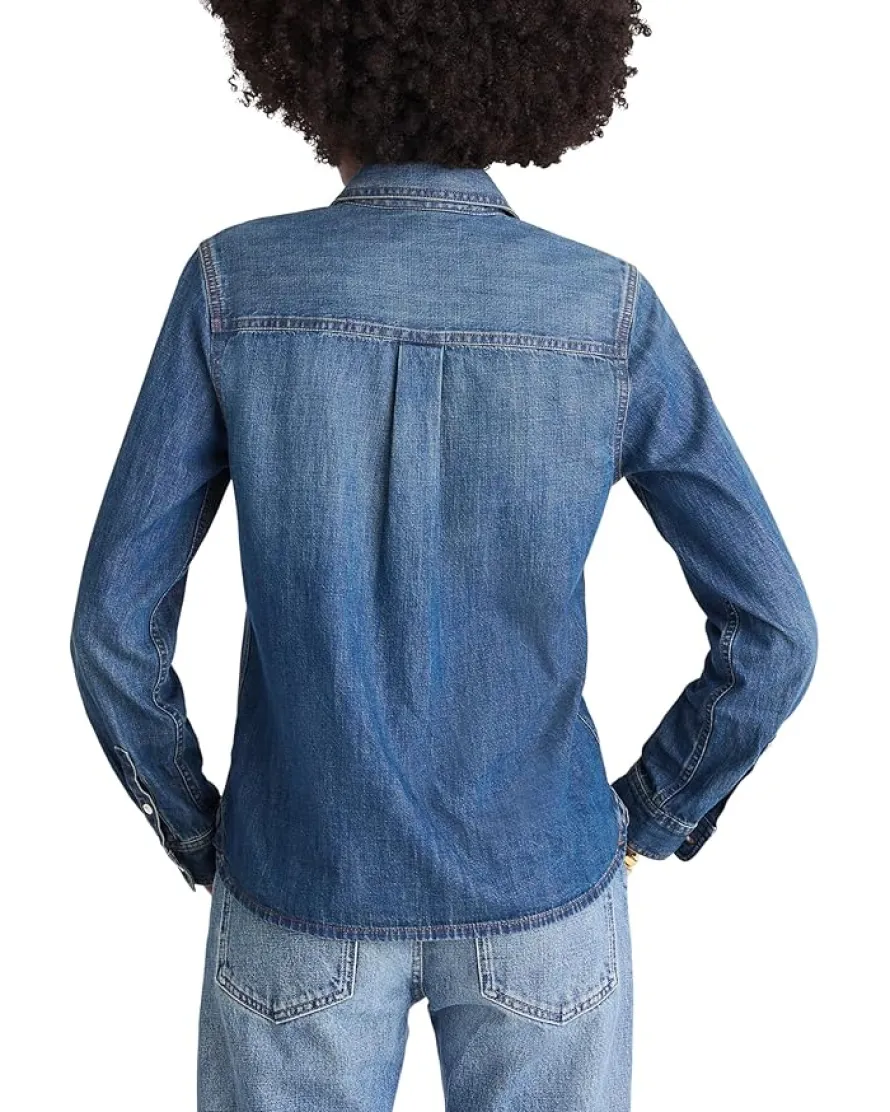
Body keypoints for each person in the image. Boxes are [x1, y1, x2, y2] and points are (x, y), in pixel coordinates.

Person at [68, 2, 818, 1109]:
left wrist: (198, 826)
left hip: (298, 879)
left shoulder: (235, 286)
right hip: (540, 886)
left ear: (306, 63)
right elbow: (776, 631)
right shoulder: (604, 310)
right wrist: (650, 812)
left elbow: (112, 629)